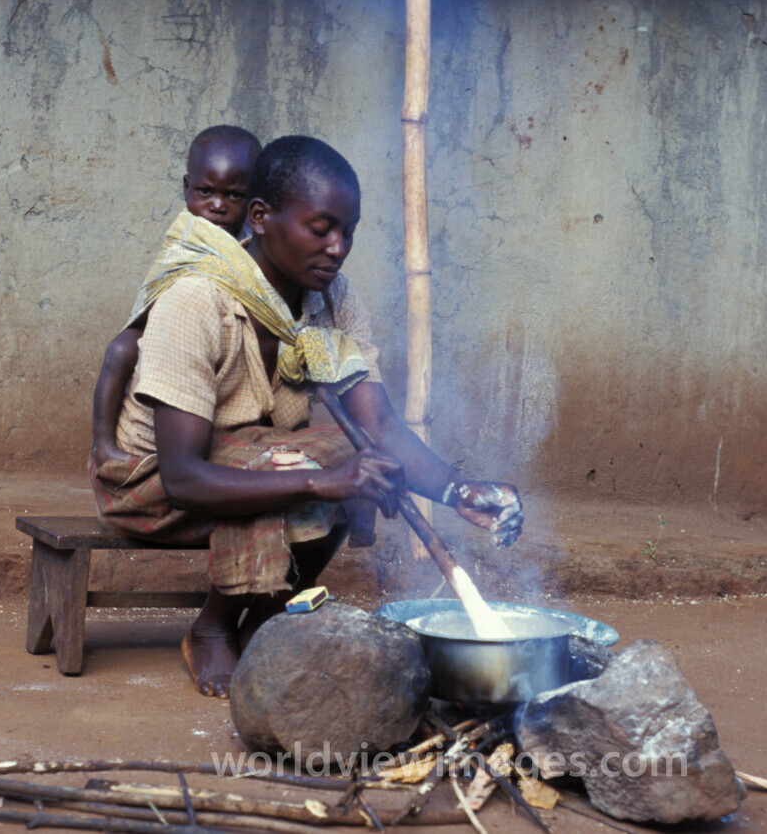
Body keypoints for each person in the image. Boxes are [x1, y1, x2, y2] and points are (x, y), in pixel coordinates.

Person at [89, 135, 523, 697]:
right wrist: (324, 479)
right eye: (321, 229)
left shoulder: (333, 302)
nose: (339, 247)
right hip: (150, 485)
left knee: (365, 465)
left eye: (349, 230)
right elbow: (182, 476)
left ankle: (264, 619)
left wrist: (458, 491)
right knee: (309, 465)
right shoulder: (197, 300)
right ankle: (213, 627)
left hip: (252, 460)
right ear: (263, 217)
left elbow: (381, 429)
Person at [90, 125, 261, 468]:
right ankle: (102, 446)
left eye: (235, 196)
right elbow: (163, 285)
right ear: (186, 189)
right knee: (121, 348)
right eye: (205, 191)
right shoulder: (186, 233)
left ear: (255, 198)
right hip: (170, 333)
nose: (218, 205)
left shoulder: (254, 241)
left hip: (224, 334)